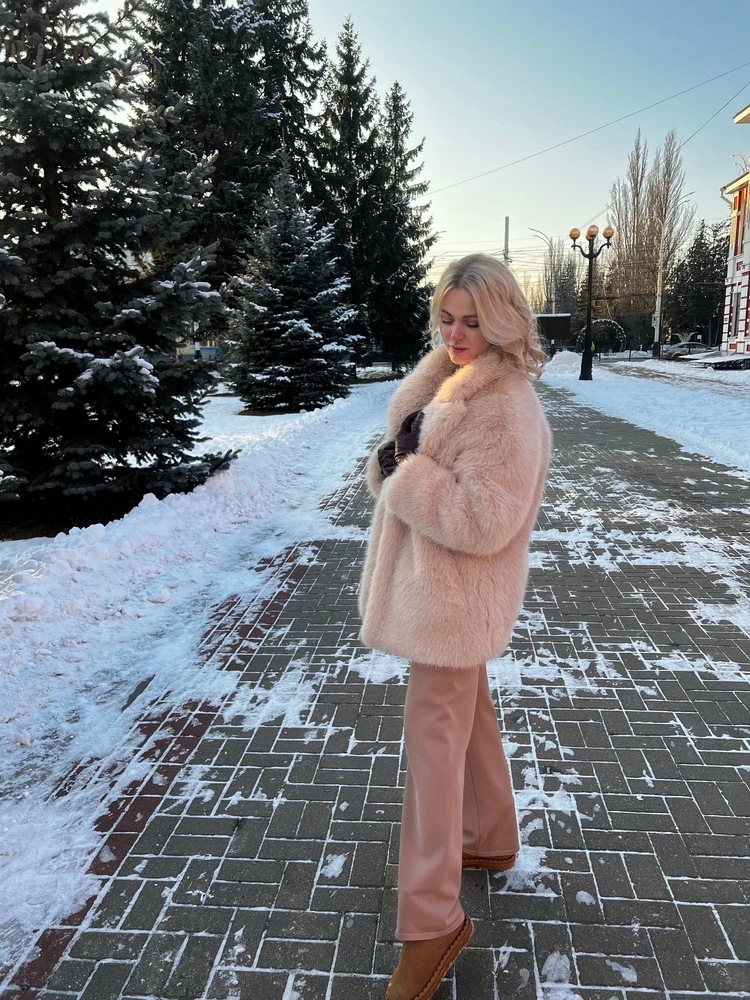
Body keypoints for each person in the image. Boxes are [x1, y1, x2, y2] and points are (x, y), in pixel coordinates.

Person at [359, 254, 551, 1000]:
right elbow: (400, 461)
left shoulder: (506, 408)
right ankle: (489, 836)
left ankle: (432, 919)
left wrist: (406, 474)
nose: (457, 333)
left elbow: (482, 520)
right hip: (439, 596)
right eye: (447, 318)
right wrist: (394, 463)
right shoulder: (445, 378)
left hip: (454, 602)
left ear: (501, 321)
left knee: (431, 752)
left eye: (472, 321)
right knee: (466, 717)